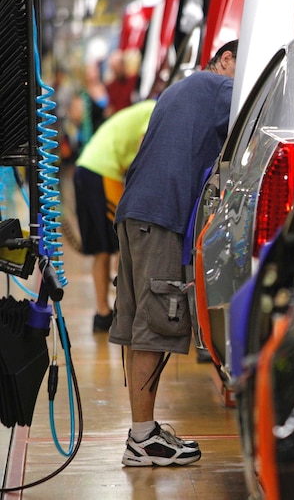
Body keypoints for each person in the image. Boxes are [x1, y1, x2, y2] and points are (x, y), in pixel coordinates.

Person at [109, 40, 238, 467]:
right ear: (225, 60)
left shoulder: (183, 88)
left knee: (136, 322)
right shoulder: (220, 89)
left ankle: (142, 432)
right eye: (242, 65)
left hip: (136, 211)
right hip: (160, 215)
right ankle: (142, 440)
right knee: (157, 324)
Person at [73, 99, 156, 333]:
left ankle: (103, 313)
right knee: (126, 240)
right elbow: (144, 154)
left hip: (86, 169)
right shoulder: (155, 111)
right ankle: (127, 312)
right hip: (102, 172)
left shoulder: (145, 108)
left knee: (103, 248)